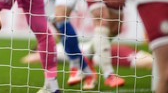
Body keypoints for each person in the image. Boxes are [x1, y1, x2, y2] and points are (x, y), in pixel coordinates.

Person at [22, 41, 153, 71]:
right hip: (106, 52)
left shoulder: (56, 49)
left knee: (150, 63)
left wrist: (31, 55)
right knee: (153, 62)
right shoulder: (60, 47)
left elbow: (28, 59)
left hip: (105, 53)